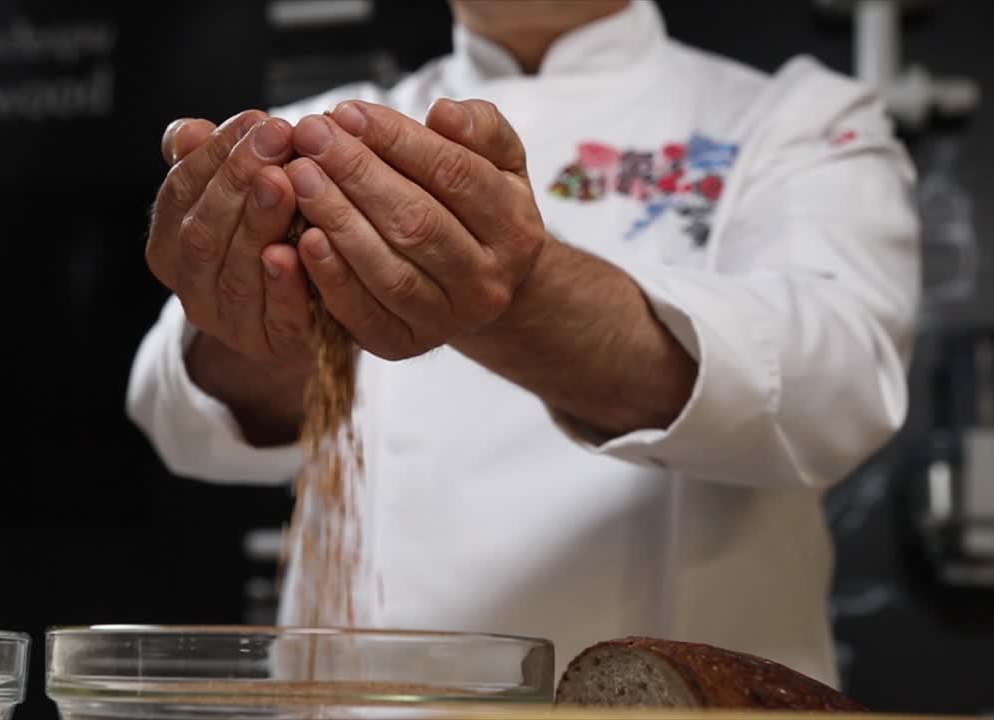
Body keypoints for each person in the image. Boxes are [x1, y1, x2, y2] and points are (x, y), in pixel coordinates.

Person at [127, 0, 918, 686]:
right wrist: (262, 300)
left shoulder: (797, 120)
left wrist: (516, 292)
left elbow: (835, 385)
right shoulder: (322, 129)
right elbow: (182, 415)